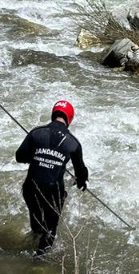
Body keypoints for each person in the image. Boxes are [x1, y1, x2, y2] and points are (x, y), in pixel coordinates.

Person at [15, 99, 89, 254]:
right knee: (50, 229)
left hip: (31, 188)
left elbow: (20, 156)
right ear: (70, 119)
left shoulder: (36, 133)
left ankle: (34, 236)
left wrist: (37, 156)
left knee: (36, 218)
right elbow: (81, 173)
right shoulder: (73, 143)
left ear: (52, 114)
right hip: (52, 192)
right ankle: (38, 263)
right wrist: (81, 182)